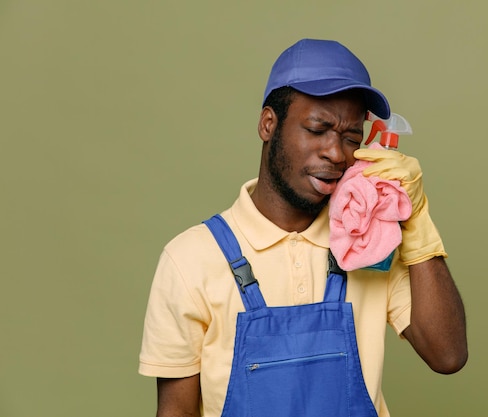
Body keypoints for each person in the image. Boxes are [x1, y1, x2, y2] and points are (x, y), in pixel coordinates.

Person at [139, 38, 467, 417]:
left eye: (351, 137)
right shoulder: (190, 260)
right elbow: (175, 411)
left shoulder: (367, 245)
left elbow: (448, 354)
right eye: (317, 128)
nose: (336, 152)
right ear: (268, 124)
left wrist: (416, 221)